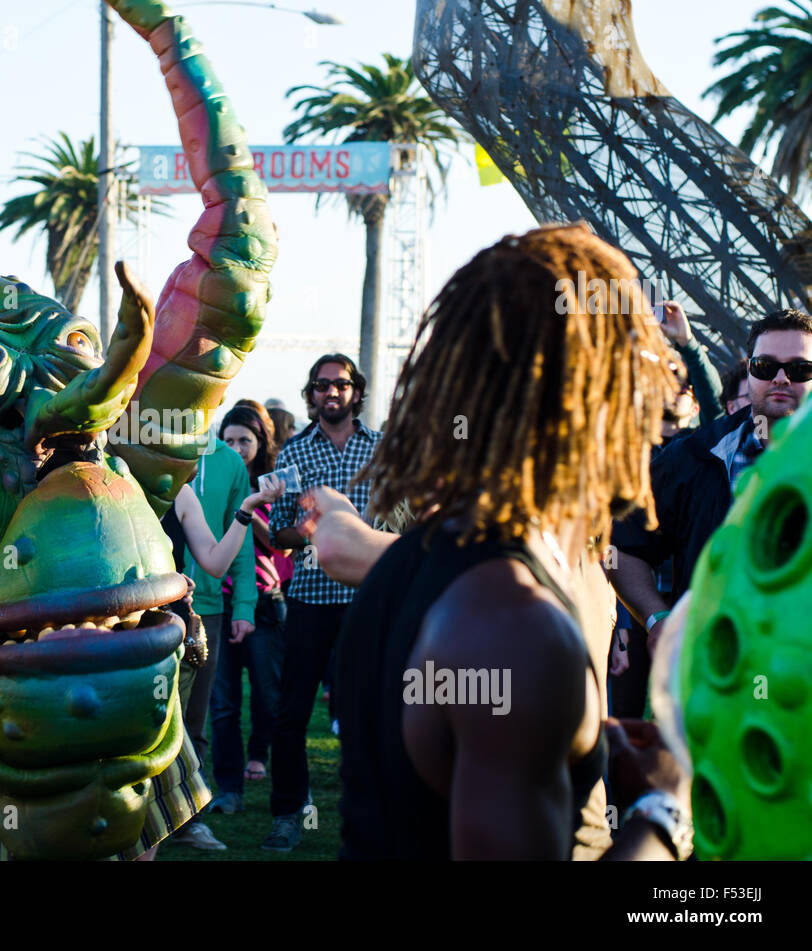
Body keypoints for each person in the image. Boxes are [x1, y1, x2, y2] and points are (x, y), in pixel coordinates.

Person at [336, 223, 692, 860]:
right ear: (589, 391)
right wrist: (665, 809)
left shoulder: (418, 564)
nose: (657, 388)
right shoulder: (516, 627)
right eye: (637, 361)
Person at [610, 308, 812, 654]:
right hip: (715, 672)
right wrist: (657, 618)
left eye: (800, 369)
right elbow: (623, 548)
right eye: (765, 367)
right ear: (749, 370)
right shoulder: (693, 457)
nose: (781, 378)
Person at [260, 353, 380, 853]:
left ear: (356, 392)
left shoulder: (381, 448)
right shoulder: (293, 451)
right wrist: (304, 530)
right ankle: (289, 814)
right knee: (292, 714)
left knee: (369, 711)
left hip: (367, 595)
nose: (332, 392)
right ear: (310, 395)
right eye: (322, 385)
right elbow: (277, 538)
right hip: (309, 596)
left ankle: (374, 812)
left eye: (341, 384)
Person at [161, 462, 282, 850]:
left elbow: (214, 561)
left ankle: (184, 823)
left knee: (182, 732)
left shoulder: (180, 493)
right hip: (117, 630)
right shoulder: (110, 481)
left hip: (172, 631)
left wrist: (245, 511)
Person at [209, 402, 288, 814]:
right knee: (222, 701)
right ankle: (228, 786)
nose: (237, 448)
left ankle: (259, 753)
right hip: (220, 601)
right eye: (230, 441)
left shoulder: (275, 484)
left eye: (245, 440)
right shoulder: (212, 480)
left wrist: (249, 503)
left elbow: (280, 542)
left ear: (261, 443)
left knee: (267, 692)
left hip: (264, 601)